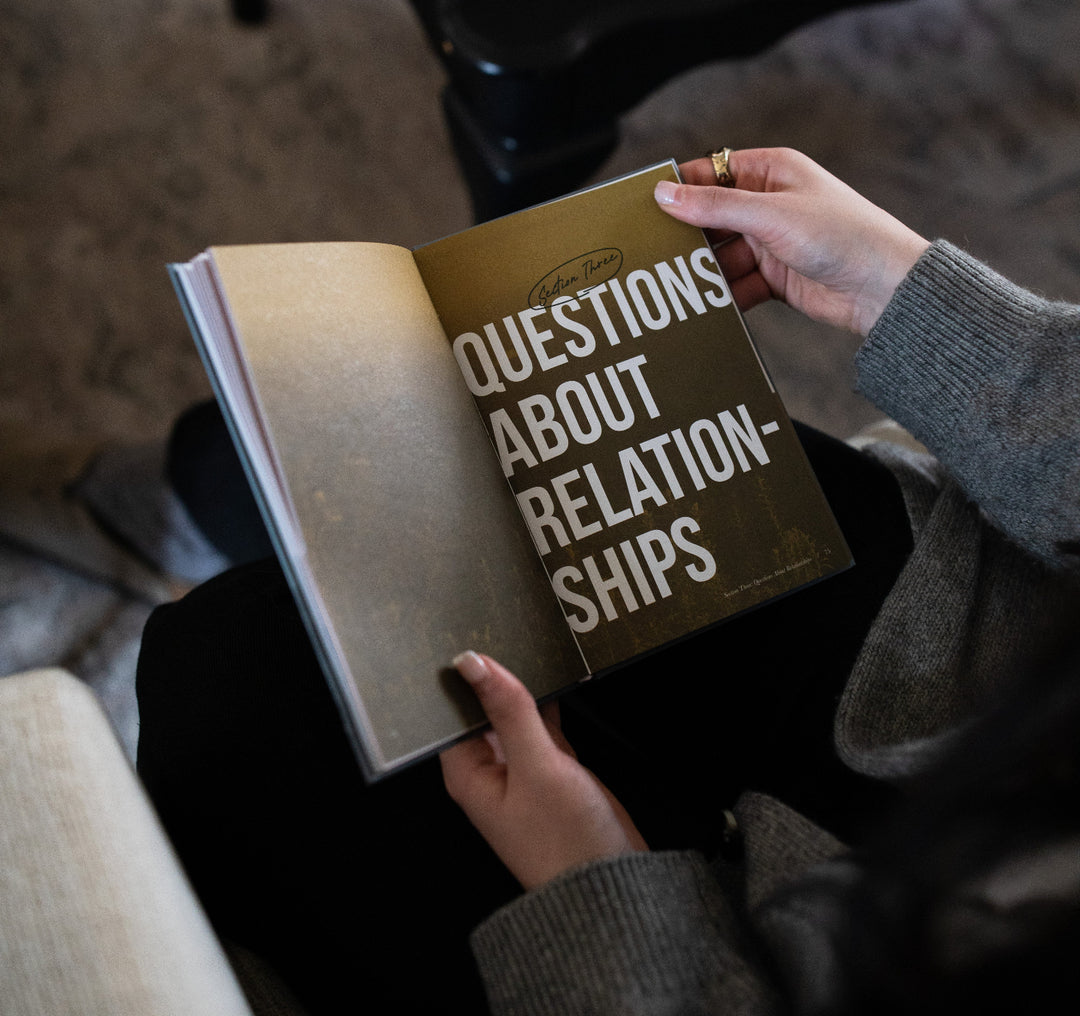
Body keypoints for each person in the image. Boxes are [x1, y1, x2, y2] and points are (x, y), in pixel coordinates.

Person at [134, 148, 1080, 1014]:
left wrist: (595, 884)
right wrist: (907, 293)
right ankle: (199, 490)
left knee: (230, 683)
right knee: (410, 433)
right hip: (982, 621)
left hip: (770, 964)